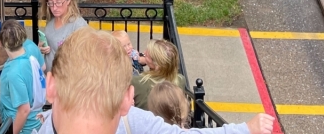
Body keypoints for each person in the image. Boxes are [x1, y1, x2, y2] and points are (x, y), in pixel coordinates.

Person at [37, 30, 274, 134]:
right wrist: (245, 129)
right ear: (127, 99)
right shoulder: (135, 122)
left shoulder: (44, 123)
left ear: (51, 87)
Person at [0, 20, 46, 134]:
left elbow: (24, 110)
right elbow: (43, 68)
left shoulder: (14, 73)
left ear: (0, 42)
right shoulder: (31, 46)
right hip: (36, 121)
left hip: (23, 128)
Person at [39, 0, 89, 71]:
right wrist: (42, 48)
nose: (54, 8)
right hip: (50, 78)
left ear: (68, 0)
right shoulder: (51, 21)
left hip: (66, 81)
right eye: (50, 3)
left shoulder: (78, 25)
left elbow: (86, 57)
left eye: (58, 2)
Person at [130, 40, 186, 110]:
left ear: (157, 65)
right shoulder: (180, 80)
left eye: (147, 56)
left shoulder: (137, 82)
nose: (144, 53)